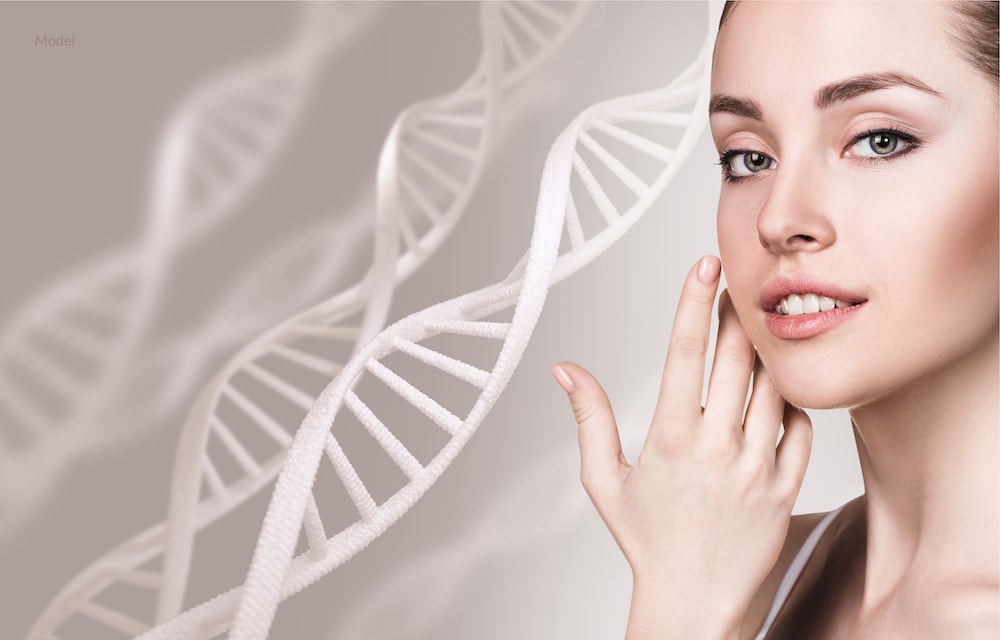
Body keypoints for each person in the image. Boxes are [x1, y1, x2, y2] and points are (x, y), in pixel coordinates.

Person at [550, 1, 999, 637]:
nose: (778, 219)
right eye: (748, 158)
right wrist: (680, 604)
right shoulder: (729, 573)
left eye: (879, 140)